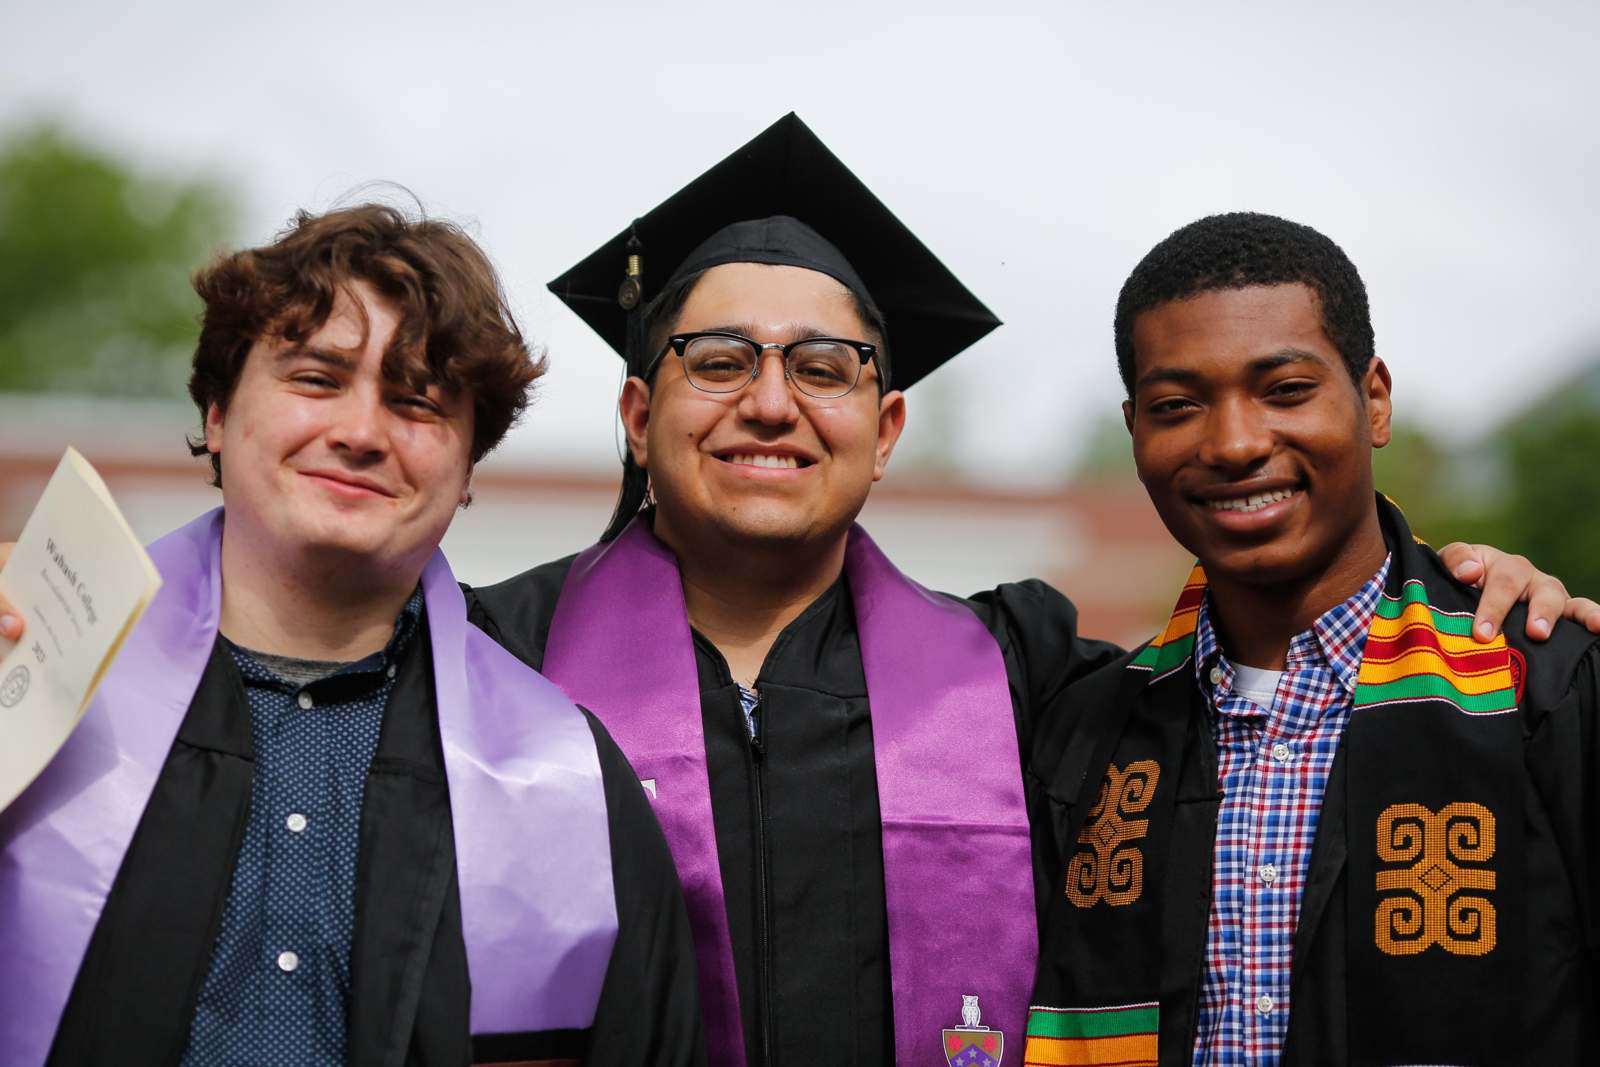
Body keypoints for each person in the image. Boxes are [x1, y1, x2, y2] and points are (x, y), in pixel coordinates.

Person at [467, 116, 1591, 1067]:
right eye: (717, 361)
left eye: (822, 367)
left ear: (886, 428)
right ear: (633, 415)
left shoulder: (1019, 673)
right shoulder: (483, 664)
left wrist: (1466, 586)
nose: (771, 404)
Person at [0, 205, 703, 1067]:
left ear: (468, 465)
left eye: (415, 401)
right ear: (217, 412)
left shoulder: (567, 780)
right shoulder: (37, 678)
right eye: (316, 379)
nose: (361, 434)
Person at [1025, 212, 1600, 1066]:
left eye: (1286, 390)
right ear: (1134, 430)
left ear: (1373, 399)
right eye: (1177, 406)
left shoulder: (1543, 684)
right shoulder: (1091, 729)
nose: (1234, 443)